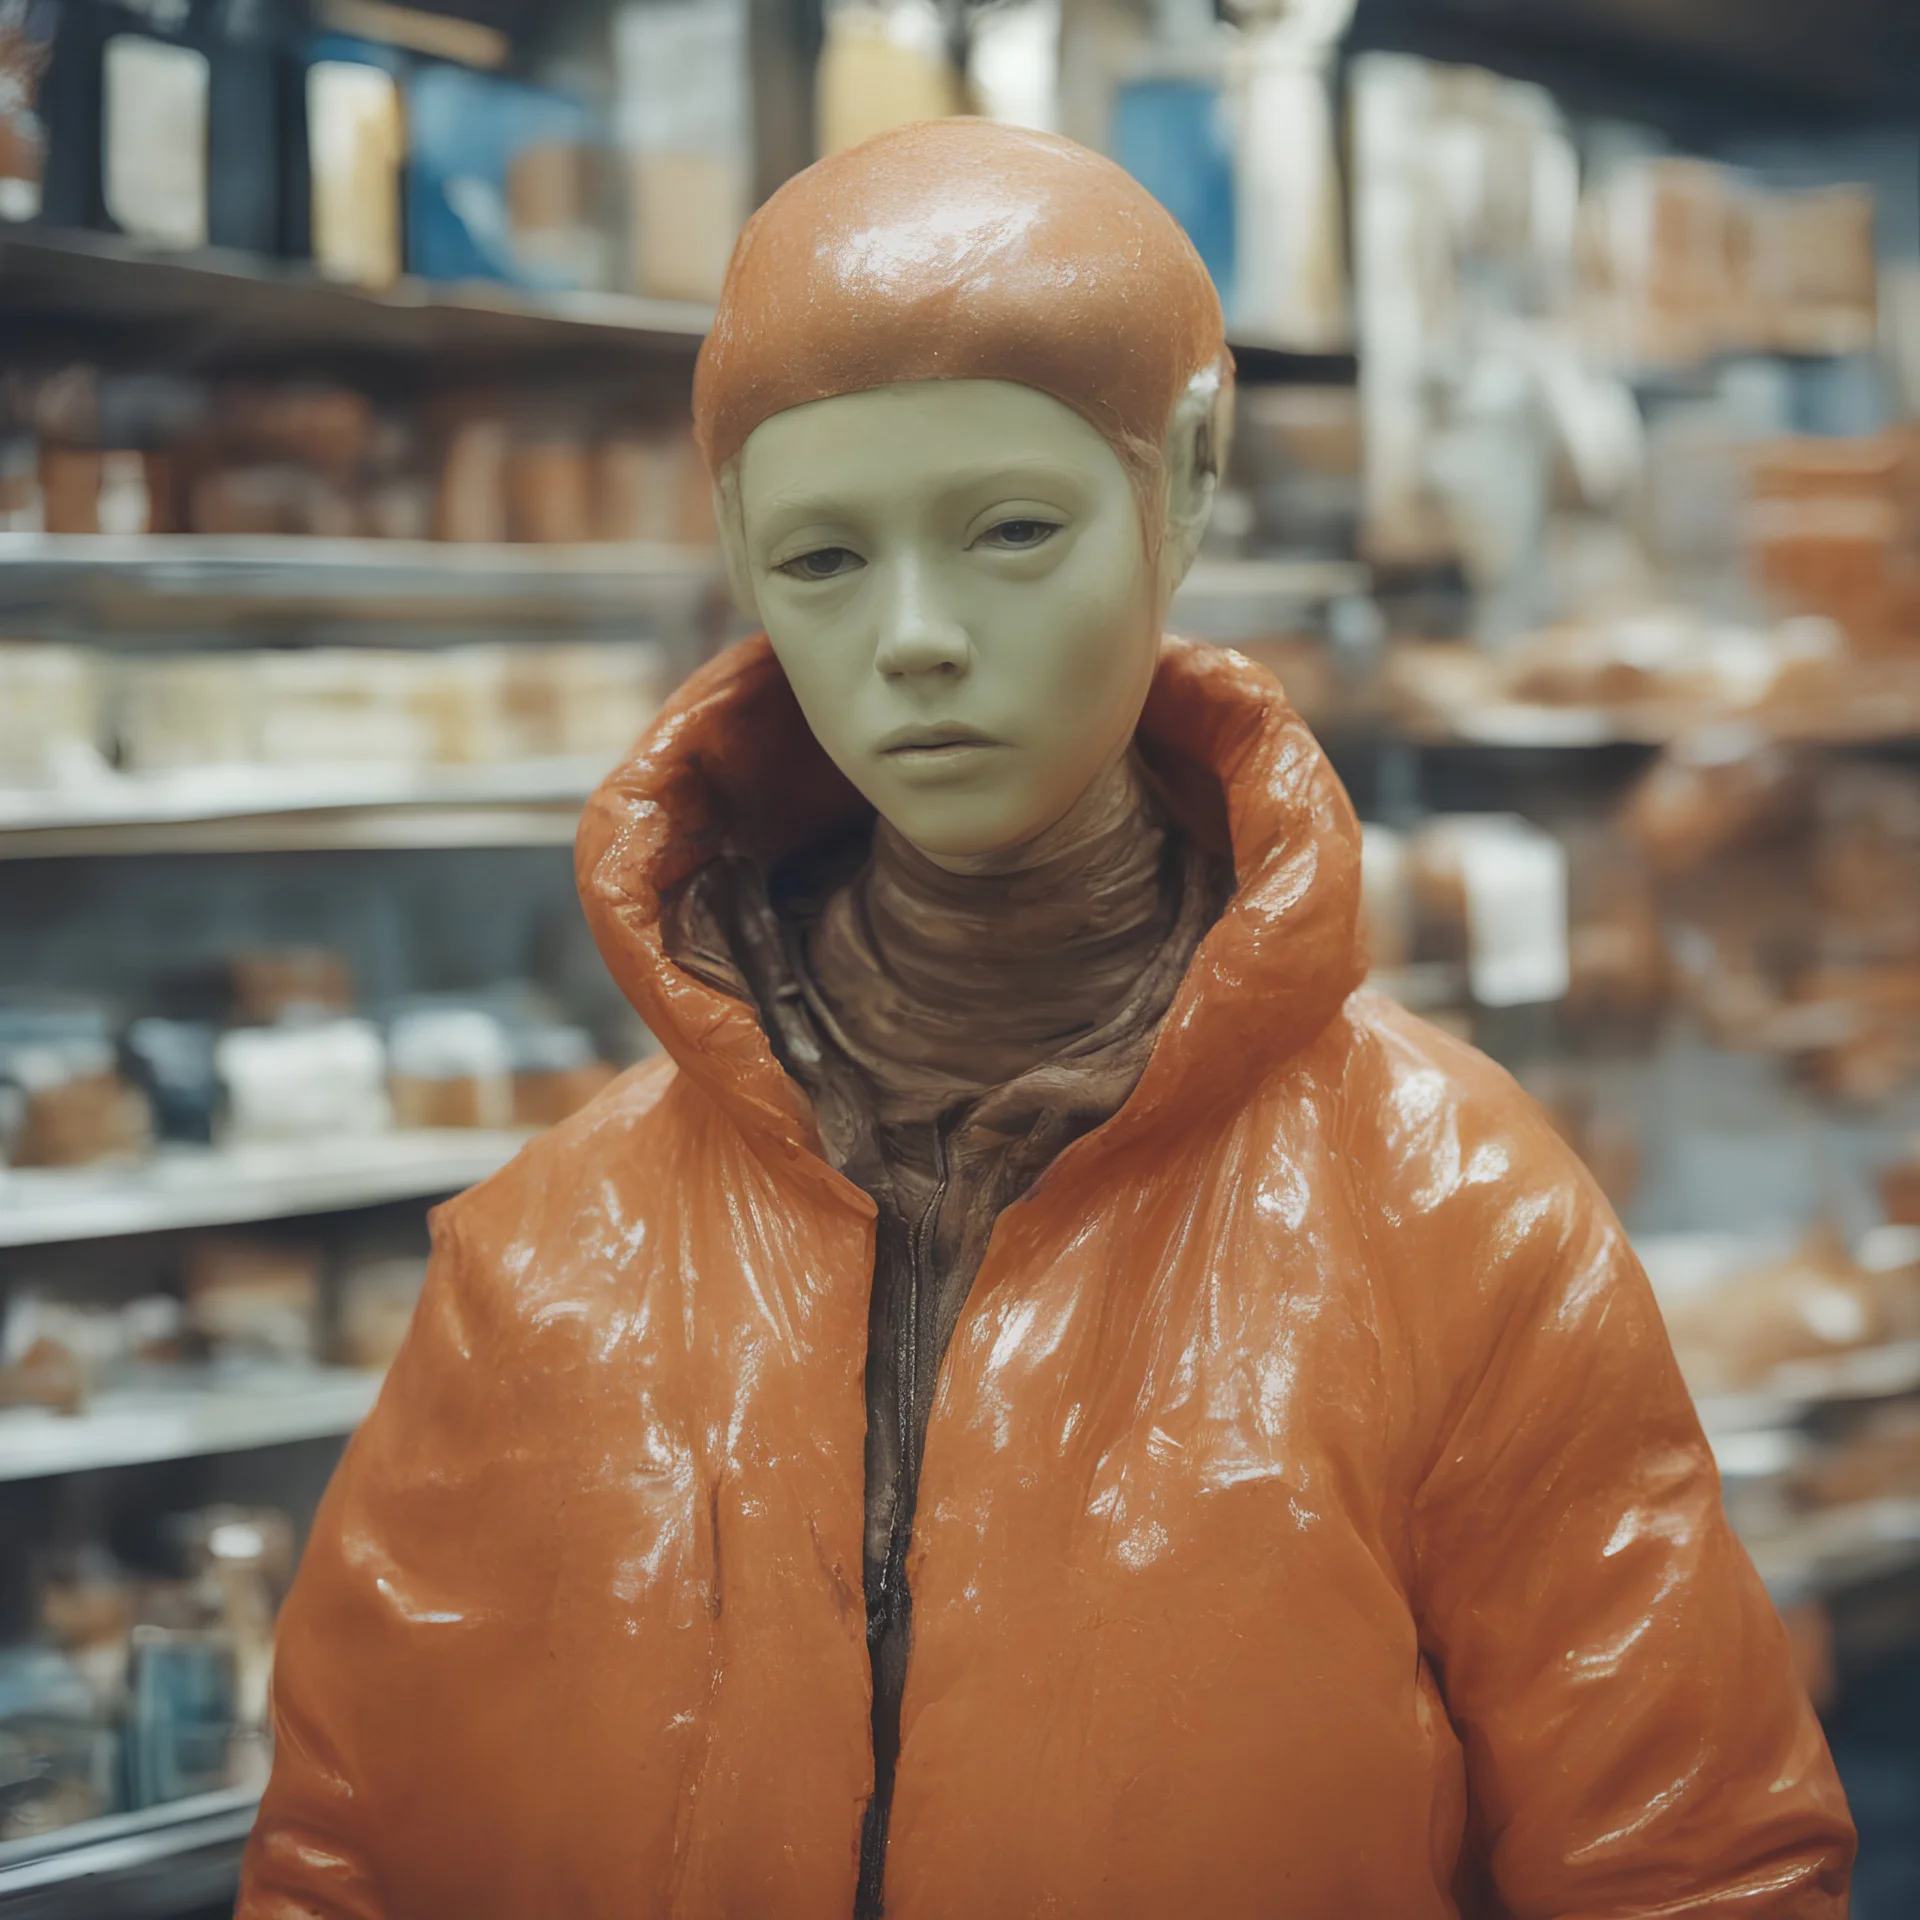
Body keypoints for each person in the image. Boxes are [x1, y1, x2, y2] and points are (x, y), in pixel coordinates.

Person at [239, 120, 1853, 1919]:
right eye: (825, 559)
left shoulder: (1456, 1221)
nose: (916, 635)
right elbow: (345, 1855)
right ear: (735, 553)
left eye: (1012, 528)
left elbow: (1696, 1866)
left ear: (1185, 481)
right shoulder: (548, 1256)